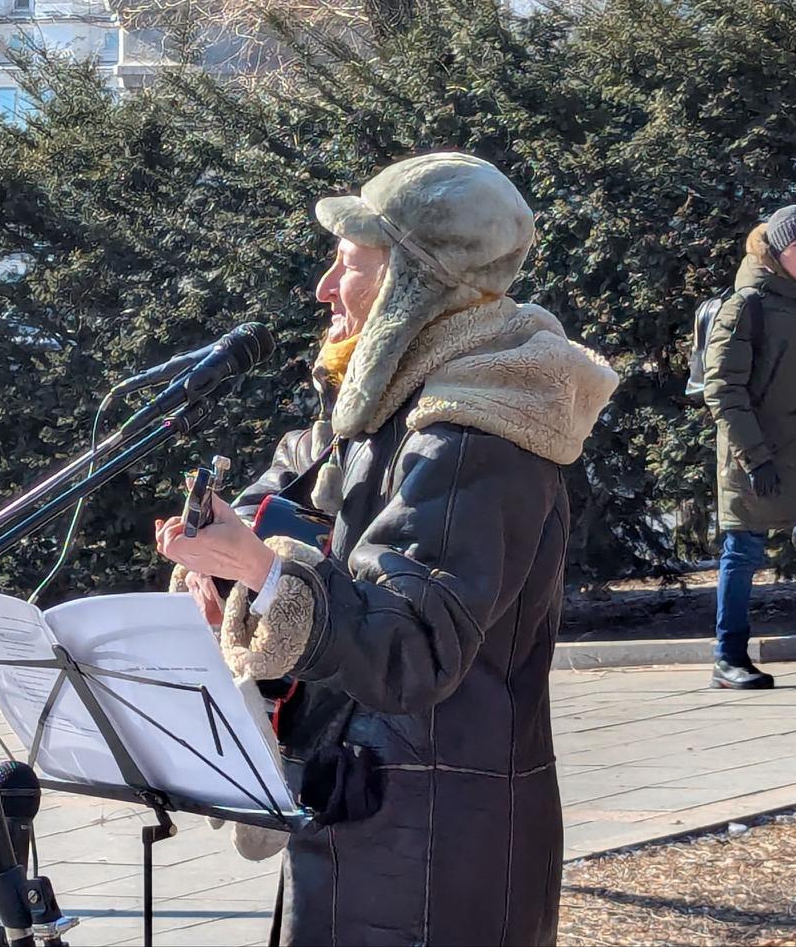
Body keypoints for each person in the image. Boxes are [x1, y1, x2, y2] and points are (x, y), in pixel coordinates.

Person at [155, 152, 618, 947]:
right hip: (379, 811)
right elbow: (304, 519)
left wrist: (261, 571)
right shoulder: (396, 409)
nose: (324, 290)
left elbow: (413, 647)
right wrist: (224, 572)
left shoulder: (476, 431)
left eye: (349, 266)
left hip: (431, 842)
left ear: (414, 284)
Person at [703, 205, 796, 691]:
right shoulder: (747, 304)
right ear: (775, 253)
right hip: (755, 454)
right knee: (743, 551)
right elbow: (723, 388)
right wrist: (756, 457)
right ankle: (728, 658)